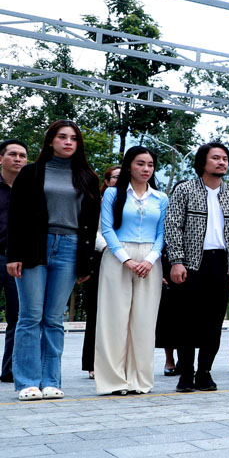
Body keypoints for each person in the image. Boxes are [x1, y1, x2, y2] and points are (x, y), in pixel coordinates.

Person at [6, 120, 101, 401]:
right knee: (30, 316)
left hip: (71, 249)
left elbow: (90, 222)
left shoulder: (87, 177)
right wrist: (14, 255)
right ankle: (27, 383)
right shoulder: (31, 173)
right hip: (35, 247)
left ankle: (51, 380)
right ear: (50, 141)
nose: (68, 142)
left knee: (53, 319)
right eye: (62, 137)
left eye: (73, 138)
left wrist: (87, 263)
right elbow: (17, 216)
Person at [163, 142, 229, 393]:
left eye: (225, 159)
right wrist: (176, 260)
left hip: (221, 263)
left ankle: (204, 372)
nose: (222, 162)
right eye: (216, 158)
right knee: (186, 321)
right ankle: (186, 373)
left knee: (213, 322)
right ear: (203, 162)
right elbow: (173, 226)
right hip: (190, 264)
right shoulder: (185, 190)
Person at [95, 146, 168, 396]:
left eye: (150, 165)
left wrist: (149, 260)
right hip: (117, 257)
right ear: (129, 166)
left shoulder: (161, 198)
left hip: (150, 259)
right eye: (140, 164)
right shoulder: (113, 195)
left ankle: (140, 381)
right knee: (113, 320)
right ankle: (113, 381)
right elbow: (107, 230)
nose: (146, 169)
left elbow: (162, 235)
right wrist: (126, 260)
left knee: (144, 321)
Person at [82, 164, 119, 380]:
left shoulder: (130, 203)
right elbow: (91, 230)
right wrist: (109, 247)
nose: (118, 181)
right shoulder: (97, 203)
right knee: (96, 313)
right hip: (100, 257)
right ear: (106, 182)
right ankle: (92, 362)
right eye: (114, 177)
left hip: (126, 261)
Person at [0, 138, 29, 384]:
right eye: (12, 154)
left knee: (17, 316)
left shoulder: (31, 190)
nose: (18, 158)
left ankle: (9, 370)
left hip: (18, 260)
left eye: (22, 155)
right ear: (1, 159)